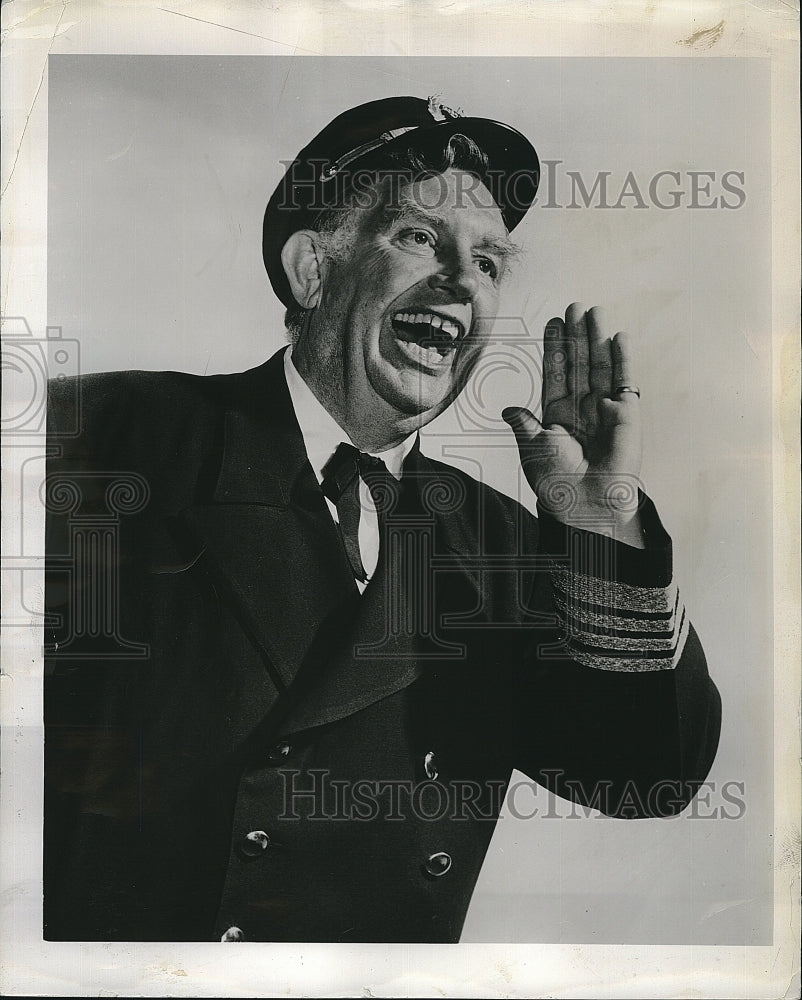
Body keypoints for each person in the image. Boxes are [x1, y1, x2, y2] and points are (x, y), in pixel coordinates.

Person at [43, 95, 721, 943]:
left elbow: (643, 777)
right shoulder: (101, 438)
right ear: (312, 271)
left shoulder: (502, 543)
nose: (462, 280)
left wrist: (602, 521)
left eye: (490, 262)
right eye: (419, 239)